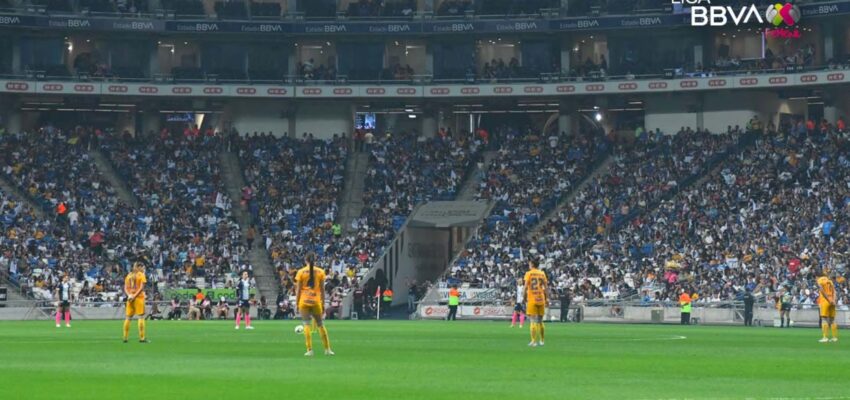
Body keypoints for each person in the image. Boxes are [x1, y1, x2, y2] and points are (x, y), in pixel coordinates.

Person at [295, 252, 334, 356]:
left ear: (305, 260)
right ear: (315, 260)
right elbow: (322, 289)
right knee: (320, 324)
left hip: (304, 301)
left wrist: (296, 303)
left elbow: (298, 290)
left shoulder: (300, 272)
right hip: (316, 301)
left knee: (306, 324)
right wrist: (323, 302)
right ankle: (327, 349)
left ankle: (309, 350)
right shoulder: (321, 272)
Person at [524, 259, 549, 347]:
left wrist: (524, 297)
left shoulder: (528, 273)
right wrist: (548, 298)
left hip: (532, 298)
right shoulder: (542, 273)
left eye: (529, 264)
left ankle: (533, 341)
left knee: (532, 320)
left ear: (532, 264)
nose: (528, 265)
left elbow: (526, 286)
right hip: (541, 298)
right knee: (540, 321)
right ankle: (542, 341)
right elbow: (546, 287)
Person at [122, 262, 148, 343]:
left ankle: (125, 338)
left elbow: (125, 287)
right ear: (138, 267)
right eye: (142, 267)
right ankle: (142, 338)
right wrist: (135, 296)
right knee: (140, 317)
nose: (143, 269)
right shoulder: (141, 275)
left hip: (130, 299)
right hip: (139, 298)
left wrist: (129, 295)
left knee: (128, 318)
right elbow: (141, 287)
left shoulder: (129, 275)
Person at [817, 270, 838, 343]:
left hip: (825, 300)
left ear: (817, 276)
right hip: (832, 300)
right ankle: (834, 337)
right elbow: (834, 291)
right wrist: (834, 300)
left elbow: (822, 290)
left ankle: (825, 337)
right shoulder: (830, 281)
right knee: (832, 319)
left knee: (824, 319)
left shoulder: (819, 280)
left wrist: (828, 300)